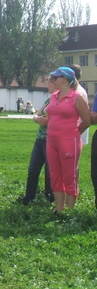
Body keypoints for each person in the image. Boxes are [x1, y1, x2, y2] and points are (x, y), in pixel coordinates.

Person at [45, 67, 91, 214]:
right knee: (55, 175)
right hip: (51, 141)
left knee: (69, 175)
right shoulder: (54, 96)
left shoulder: (77, 97)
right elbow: (51, 116)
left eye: (55, 78)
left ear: (64, 79)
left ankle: (69, 210)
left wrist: (74, 134)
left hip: (69, 141)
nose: (52, 80)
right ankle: (59, 208)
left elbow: (87, 120)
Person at [21, 78, 55, 205]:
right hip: (40, 138)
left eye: (49, 82)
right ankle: (29, 197)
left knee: (51, 172)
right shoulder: (48, 100)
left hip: (51, 140)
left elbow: (49, 119)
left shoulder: (59, 101)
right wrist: (38, 118)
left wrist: (42, 119)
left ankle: (51, 197)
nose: (47, 85)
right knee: (33, 169)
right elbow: (36, 115)